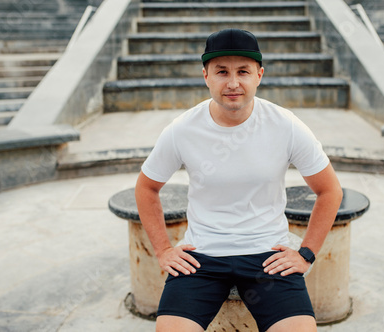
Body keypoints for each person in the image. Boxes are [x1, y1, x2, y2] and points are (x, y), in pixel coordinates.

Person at [135, 29, 343, 332]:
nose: (233, 83)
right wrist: (164, 250)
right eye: (222, 72)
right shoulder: (182, 130)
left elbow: (330, 190)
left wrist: (306, 253)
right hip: (202, 255)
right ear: (205, 75)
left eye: (242, 71)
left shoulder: (285, 125)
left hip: (267, 255)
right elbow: (146, 187)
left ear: (259, 75)